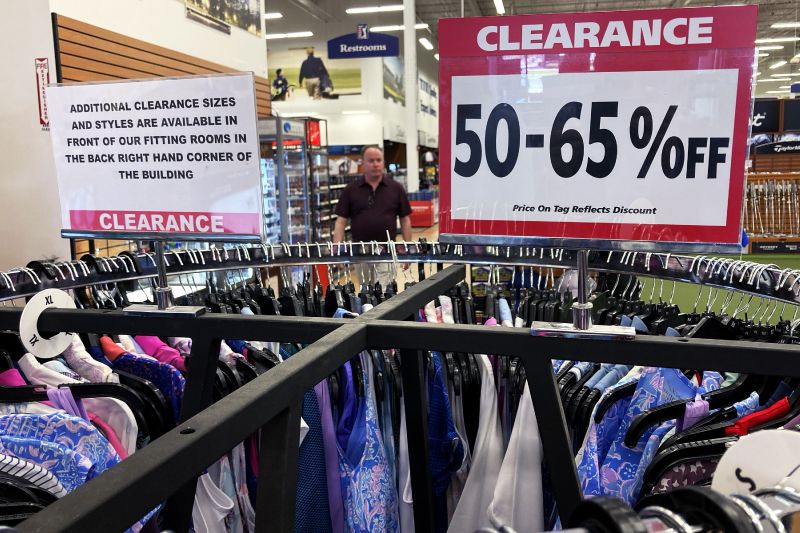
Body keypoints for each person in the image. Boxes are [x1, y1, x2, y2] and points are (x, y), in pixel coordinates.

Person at [334, 146, 412, 282]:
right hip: (360, 253)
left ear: (383, 162)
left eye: (378, 160)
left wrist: (408, 249)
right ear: (363, 163)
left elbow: (405, 220)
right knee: (366, 291)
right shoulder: (351, 190)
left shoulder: (396, 188)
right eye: (371, 160)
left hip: (387, 252)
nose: (375, 164)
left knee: (385, 291)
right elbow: (341, 221)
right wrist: (337, 250)